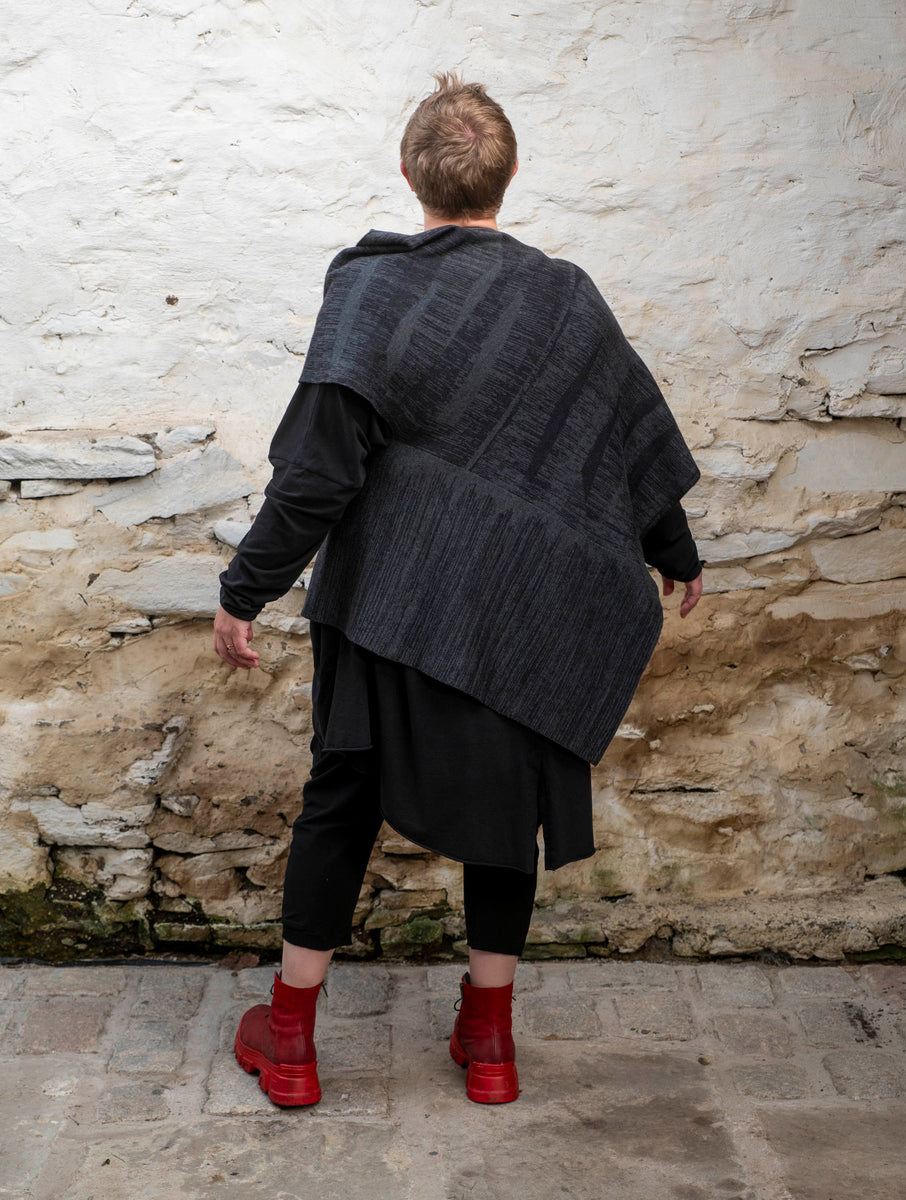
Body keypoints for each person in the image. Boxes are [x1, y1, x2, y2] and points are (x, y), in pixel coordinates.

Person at [213, 71, 704, 1108]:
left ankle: (290, 1041)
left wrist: (245, 590)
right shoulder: (563, 295)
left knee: (342, 800)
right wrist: (676, 548)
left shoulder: (371, 292)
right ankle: (490, 1045)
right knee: (506, 810)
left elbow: (318, 471)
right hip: (519, 604)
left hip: (389, 603)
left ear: (408, 174)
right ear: (510, 176)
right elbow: (618, 438)